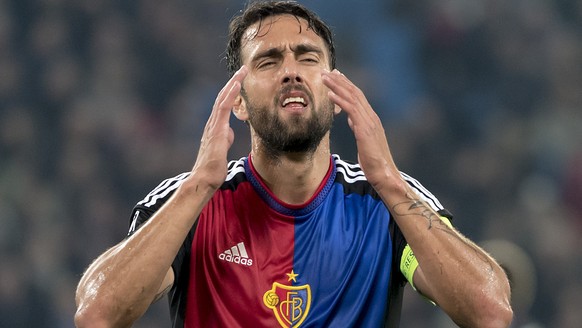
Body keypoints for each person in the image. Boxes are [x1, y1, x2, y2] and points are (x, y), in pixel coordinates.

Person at [74, 1, 513, 327]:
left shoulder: (387, 202)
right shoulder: (190, 203)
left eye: (307, 57)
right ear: (239, 103)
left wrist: (391, 184)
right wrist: (197, 187)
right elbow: (97, 314)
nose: (291, 71)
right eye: (268, 61)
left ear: (336, 93)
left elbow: (489, 312)